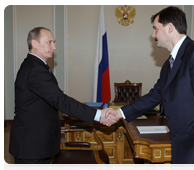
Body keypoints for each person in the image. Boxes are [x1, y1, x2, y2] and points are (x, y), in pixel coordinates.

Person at [104, 6, 194, 170]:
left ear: (170, 27)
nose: (153, 35)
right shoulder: (168, 65)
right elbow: (154, 96)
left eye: (156, 29)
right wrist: (119, 113)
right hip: (184, 146)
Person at [9, 27, 116, 170]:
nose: (54, 47)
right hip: (31, 145)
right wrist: (98, 115)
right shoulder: (35, 69)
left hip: (37, 142)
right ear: (34, 43)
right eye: (49, 42)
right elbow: (60, 100)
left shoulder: (36, 65)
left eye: (54, 42)